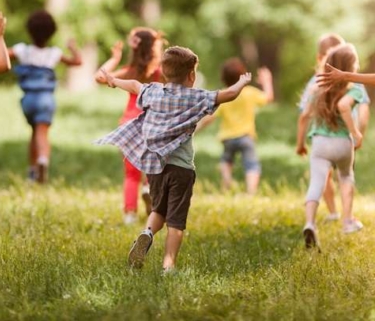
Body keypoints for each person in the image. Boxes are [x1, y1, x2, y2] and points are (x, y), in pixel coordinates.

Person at [94, 46, 252, 271]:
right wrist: (241, 82)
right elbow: (228, 94)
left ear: (164, 72)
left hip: (156, 167)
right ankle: (169, 266)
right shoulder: (196, 97)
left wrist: (114, 81)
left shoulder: (154, 91)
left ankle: (147, 232)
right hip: (182, 169)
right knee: (176, 221)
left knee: (159, 210)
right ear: (192, 75)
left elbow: (134, 85)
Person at [0, 9, 82, 183]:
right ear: (51, 32)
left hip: (28, 100)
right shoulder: (54, 53)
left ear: (29, 30)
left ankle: (32, 172)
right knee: (42, 133)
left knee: (34, 132)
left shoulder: (23, 50)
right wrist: (73, 48)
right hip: (46, 99)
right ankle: (43, 160)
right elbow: (77, 62)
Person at [296, 44, 365, 250]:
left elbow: (304, 116)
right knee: (345, 177)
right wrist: (355, 132)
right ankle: (347, 221)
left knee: (316, 183)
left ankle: (310, 223)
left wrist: (300, 143)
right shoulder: (354, 87)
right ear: (350, 66)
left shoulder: (316, 87)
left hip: (319, 143)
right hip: (343, 143)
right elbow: (344, 106)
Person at [95, 27, 165, 225]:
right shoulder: (160, 71)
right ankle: (149, 190)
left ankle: (129, 214)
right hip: (152, 124)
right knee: (154, 167)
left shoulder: (130, 71)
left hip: (128, 124)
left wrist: (114, 59)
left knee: (131, 173)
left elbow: (99, 77)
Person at [197, 57, 273, 194]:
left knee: (226, 161)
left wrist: (197, 127)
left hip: (228, 137)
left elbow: (211, 117)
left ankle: (227, 183)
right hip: (246, 136)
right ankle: (251, 192)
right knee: (251, 165)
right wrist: (267, 81)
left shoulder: (224, 95)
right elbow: (268, 97)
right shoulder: (249, 92)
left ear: (223, 78)